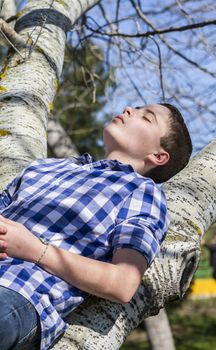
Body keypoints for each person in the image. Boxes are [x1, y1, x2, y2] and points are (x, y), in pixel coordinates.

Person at [0, 103, 192, 350]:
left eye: (147, 118)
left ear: (158, 156)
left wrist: (36, 250)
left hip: (19, 292)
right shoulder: (45, 167)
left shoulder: (141, 192)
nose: (129, 108)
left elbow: (123, 283)